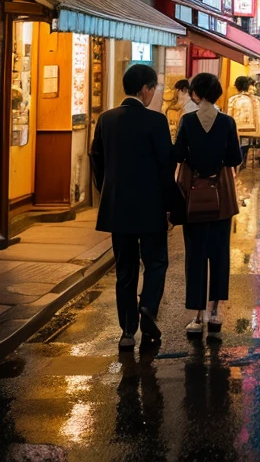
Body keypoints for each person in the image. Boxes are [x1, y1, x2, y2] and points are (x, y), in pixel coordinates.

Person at [90, 63, 174, 351]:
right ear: (144, 89)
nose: (154, 94)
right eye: (153, 89)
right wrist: (171, 205)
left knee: (125, 270)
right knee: (156, 262)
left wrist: (107, 190)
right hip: (150, 207)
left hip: (118, 208)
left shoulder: (106, 119)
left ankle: (127, 331)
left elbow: (96, 158)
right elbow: (166, 166)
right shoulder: (156, 121)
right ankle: (148, 307)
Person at [174, 72, 242, 336]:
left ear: (195, 94)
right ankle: (215, 312)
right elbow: (234, 157)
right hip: (221, 195)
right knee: (220, 253)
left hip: (193, 196)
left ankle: (197, 316)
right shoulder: (227, 122)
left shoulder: (187, 121)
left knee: (196, 255)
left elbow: (178, 154)